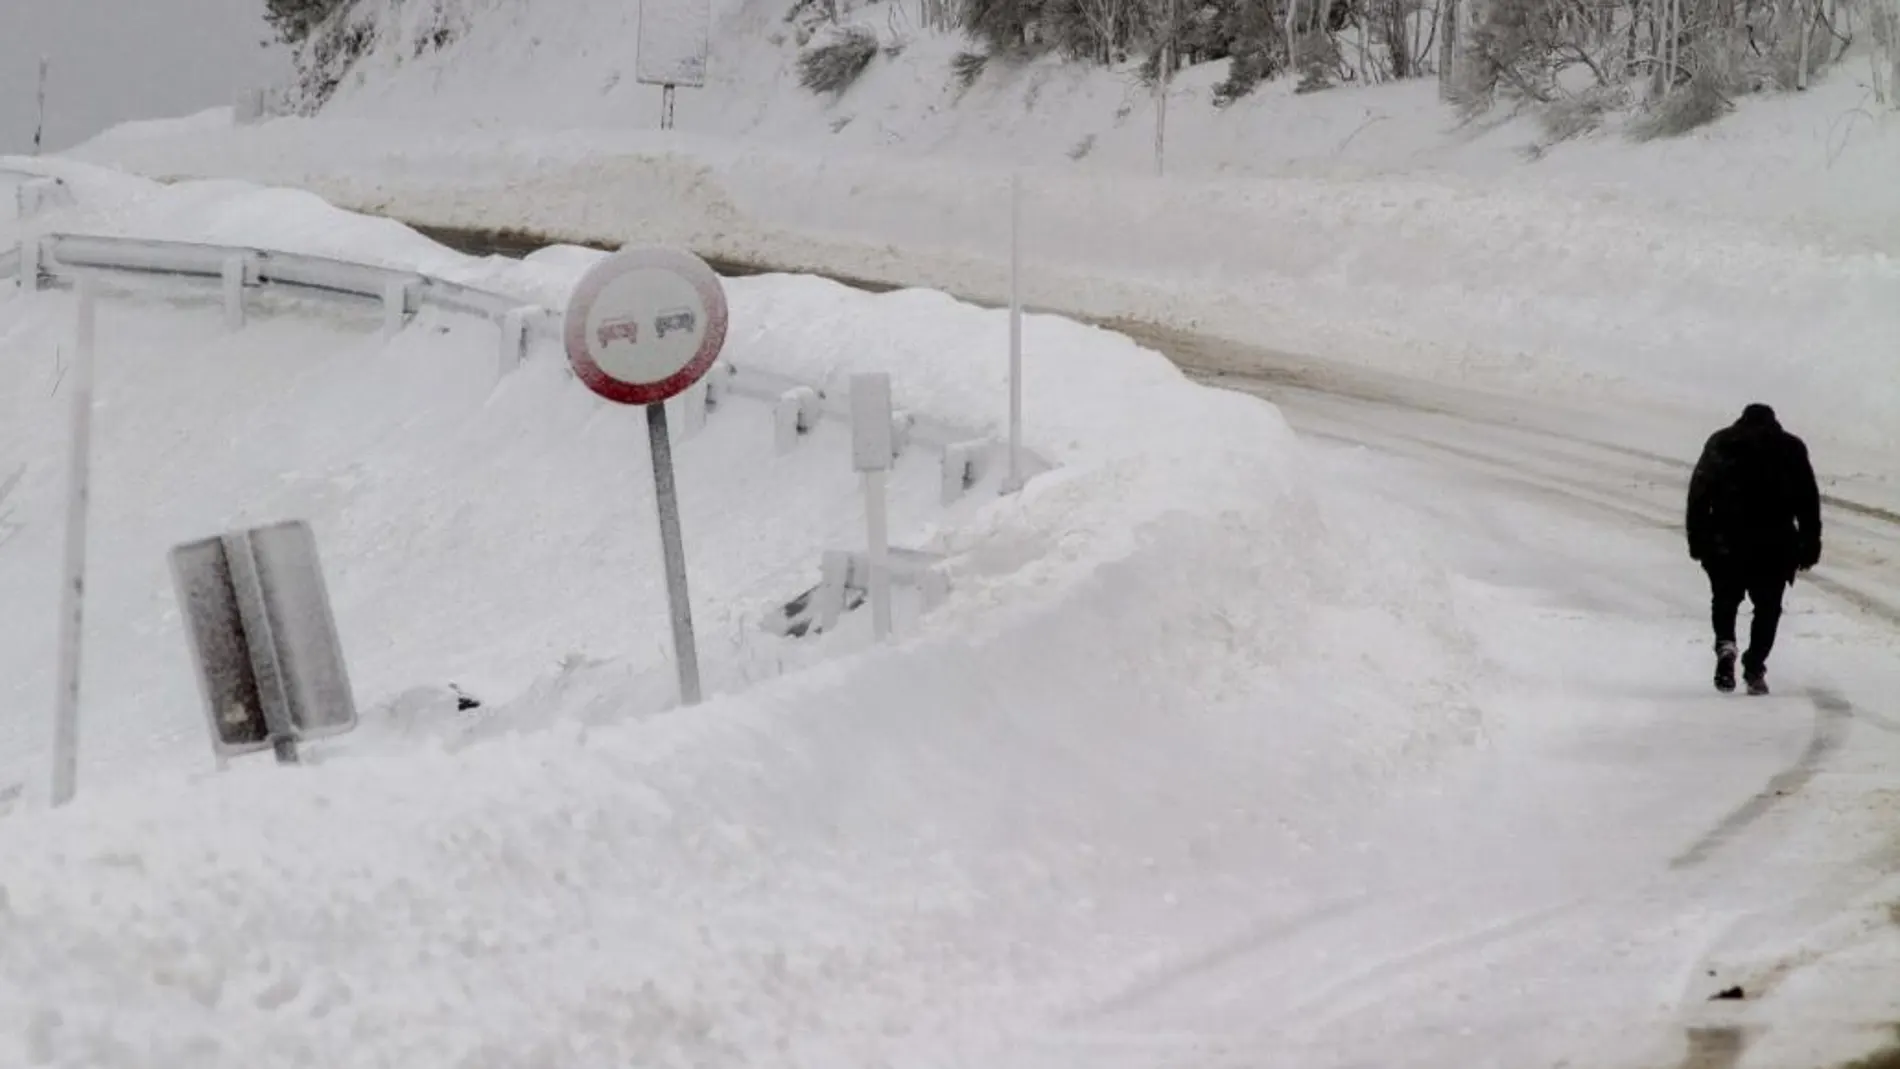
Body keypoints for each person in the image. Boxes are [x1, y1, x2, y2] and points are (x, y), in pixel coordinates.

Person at [1685, 403, 1822, 695]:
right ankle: (1755, 665)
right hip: (1775, 543)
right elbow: (1808, 500)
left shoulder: (1721, 443)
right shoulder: (1790, 448)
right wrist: (1810, 542)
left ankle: (1725, 645)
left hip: (1726, 538)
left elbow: (1699, 493)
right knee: (1768, 608)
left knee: (1724, 599)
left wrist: (1697, 538)